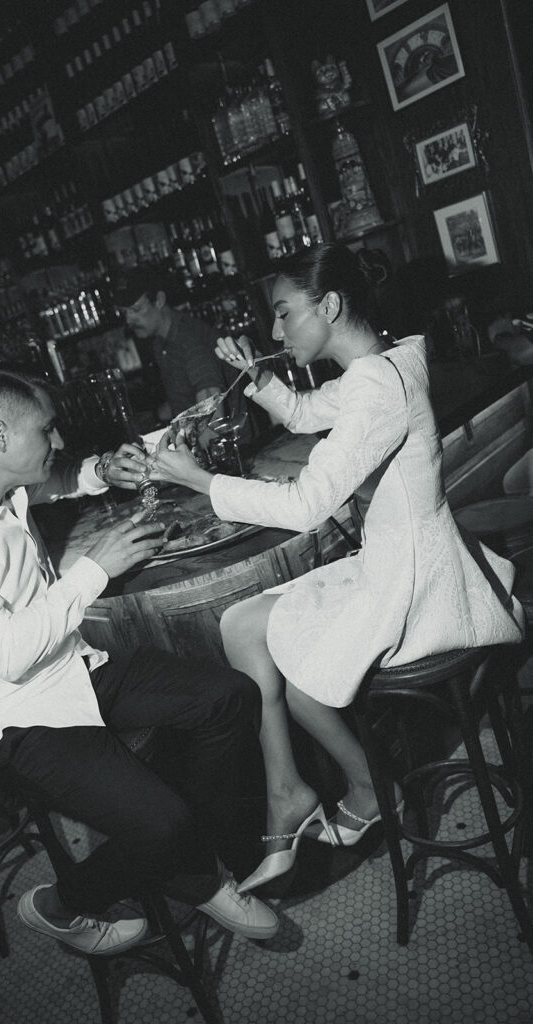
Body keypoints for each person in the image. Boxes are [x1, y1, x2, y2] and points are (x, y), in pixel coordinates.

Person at [149, 242, 525, 893]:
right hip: (401, 558)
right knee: (241, 623)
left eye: (284, 313)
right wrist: (259, 378)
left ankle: (354, 788)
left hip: (412, 582)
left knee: (295, 673)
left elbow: (305, 505)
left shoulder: (374, 387)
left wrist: (201, 480)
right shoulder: (381, 364)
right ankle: (289, 791)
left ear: (328, 304)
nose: (274, 331)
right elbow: (306, 412)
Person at [0, 366, 277, 955]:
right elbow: (10, 655)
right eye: (47, 431)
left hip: (80, 668)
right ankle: (61, 902)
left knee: (230, 697)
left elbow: (56, 480)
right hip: (21, 717)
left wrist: (102, 471)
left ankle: (191, 864)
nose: (59, 441)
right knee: (162, 823)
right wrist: (95, 569)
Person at [111, 266, 225, 421]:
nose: (128, 320)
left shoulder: (189, 340)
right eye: (125, 312)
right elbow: (183, 402)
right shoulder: (161, 342)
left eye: (136, 309)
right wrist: (152, 418)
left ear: (159, 300)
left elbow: (213, 413)